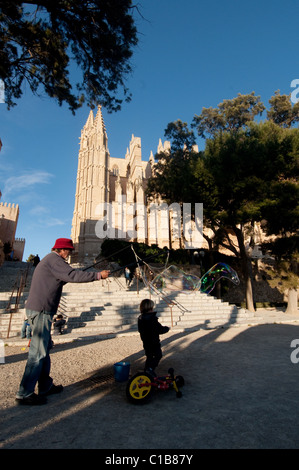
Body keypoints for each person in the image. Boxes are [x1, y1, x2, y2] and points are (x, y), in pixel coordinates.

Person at [15, 238, 110, 406]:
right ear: (62, 250)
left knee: (44, 349)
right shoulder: (54, 260)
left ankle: (45, 386)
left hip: (42, 309)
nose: (70, 254)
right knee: (37, 353)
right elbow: (72, 274)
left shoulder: (51, 261)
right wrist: (97, 275)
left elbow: (65, 276)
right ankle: (24, 393)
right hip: (41, 310)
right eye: (69, 251)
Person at [138, 298, 170, 376]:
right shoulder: (152, 319)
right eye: (152, 307)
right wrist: (167, 328)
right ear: (150, 308)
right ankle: (150, 369)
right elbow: (159, 329)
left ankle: (147, 370)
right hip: (154, 342)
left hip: (146, 341)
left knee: (149, 356)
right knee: (158, 355)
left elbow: (140, 330)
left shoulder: (141, 318)